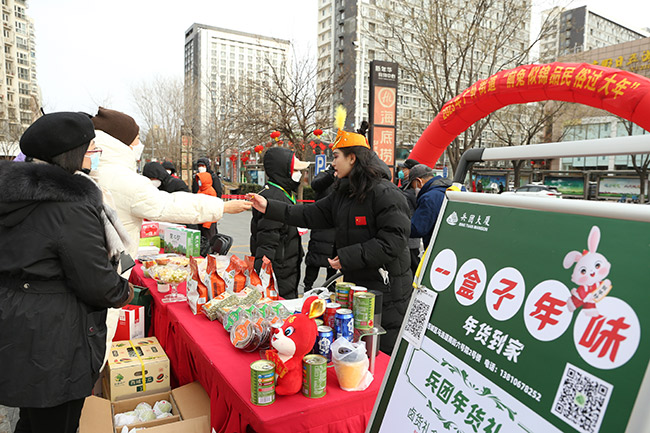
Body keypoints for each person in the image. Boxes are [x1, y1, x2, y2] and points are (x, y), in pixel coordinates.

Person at [0, 112, 133, 433]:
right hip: (54, 335)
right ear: (69, 154)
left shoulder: (13, 193)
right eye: (90, 149)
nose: (93, 155)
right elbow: (96, 281)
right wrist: (123, 291)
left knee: (32, 417)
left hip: (19, 322)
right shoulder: (69, 206)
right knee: (57, 421)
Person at [249, 110, 413, 354]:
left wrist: (348, 256)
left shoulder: (385, 193)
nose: (332, 162)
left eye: (336, 157)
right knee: (359, 350)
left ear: (353, 159)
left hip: (388, 292)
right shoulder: (343, 193)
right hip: (358, 287)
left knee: (382, 353)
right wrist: (269, 207)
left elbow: (393, 242)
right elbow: (310, 214)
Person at [89, 107, 251, 260]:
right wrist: (223, 207)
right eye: (137, 139)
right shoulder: (125, 179)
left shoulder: (92, 170)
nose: (140, 145)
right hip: (112, 267)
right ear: (121, 143)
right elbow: (168, 205)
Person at [250, 147, 309, 299]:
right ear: (283, 171)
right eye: (295, 170)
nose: (299, 174)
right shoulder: (274, 197)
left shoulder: (283, 193)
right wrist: (262, 271)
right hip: (279, 270)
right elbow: (267, 238)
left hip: (287, 265)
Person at [302, 164, 337, 292]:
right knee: (314, 260)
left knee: (333, 261)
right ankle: (308, 285)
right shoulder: (325, 175)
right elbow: (316, 184)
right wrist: (331, 175)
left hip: (336, 226)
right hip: (321, 224)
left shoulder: (343, 177)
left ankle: (330, 284)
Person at [408, 164, 453, 248]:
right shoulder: (453, 189)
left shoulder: (429, 198)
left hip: (435, 248)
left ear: (419, 181)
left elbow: (418, 228)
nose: (414, 189)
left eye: (412, 185)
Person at [398, 158, 422, 275]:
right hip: (405, 235)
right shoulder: (405, 188)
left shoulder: (413, 190)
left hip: (411, 237)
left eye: (404, 169)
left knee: (414, 265)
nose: (402, 172)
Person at [195, 170, 218, 255]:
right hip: (201, 219)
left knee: (209, 240)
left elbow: (212, 209)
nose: (199, 182)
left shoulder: (211, 191)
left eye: (201, 180)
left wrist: (207, 223)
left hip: (208, 221)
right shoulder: (200, 190)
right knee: (203, 241)